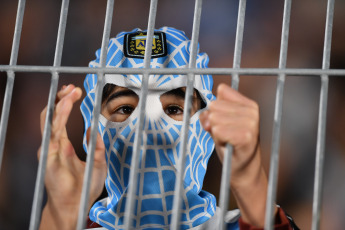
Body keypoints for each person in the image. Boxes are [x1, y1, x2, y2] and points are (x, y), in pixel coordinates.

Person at [38, 27, 297, 229]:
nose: (149, 129)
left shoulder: (245, 225)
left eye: (174, 110)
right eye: (126, 110)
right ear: (93, 130)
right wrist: (61, 214)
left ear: (206, 126)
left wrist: (250, 182)